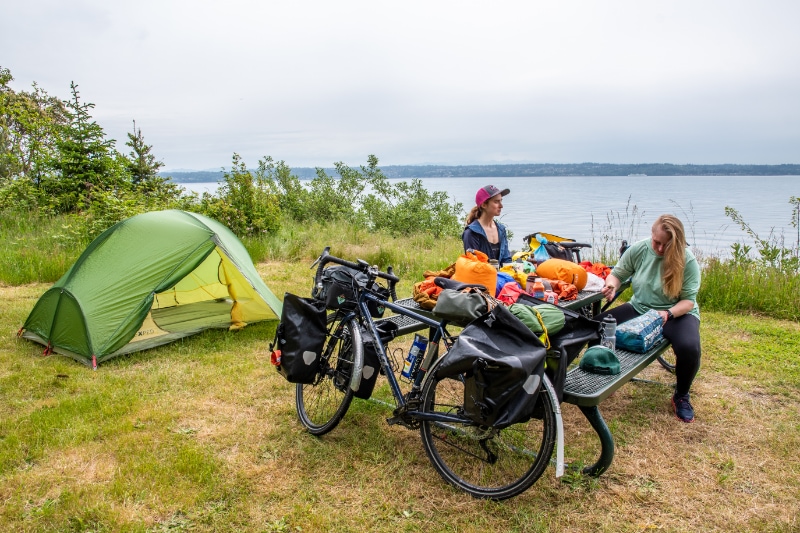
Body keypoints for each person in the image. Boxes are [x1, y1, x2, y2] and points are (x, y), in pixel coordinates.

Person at [598, 214, 702, 423]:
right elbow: (617, 273)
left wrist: (668, 313)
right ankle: (605, 376)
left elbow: (688, 301)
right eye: (657, 242)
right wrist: (611, 286)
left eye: (667, 244)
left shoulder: (687, 260)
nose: (661, 249)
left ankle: (681, 395)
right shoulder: (640, 249)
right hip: (640, 308)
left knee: (689, 347)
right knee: (596, 326)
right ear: (651, 235)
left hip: (676, 314)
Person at [462, 184, 512, 266]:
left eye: (501, 201)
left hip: (502, 277)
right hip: (481, 277)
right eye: (496, 202)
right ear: (484, 205)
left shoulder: (501, 229)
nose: (501, 206)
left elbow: (506, 260)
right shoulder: (471, 233)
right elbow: (474, 266)